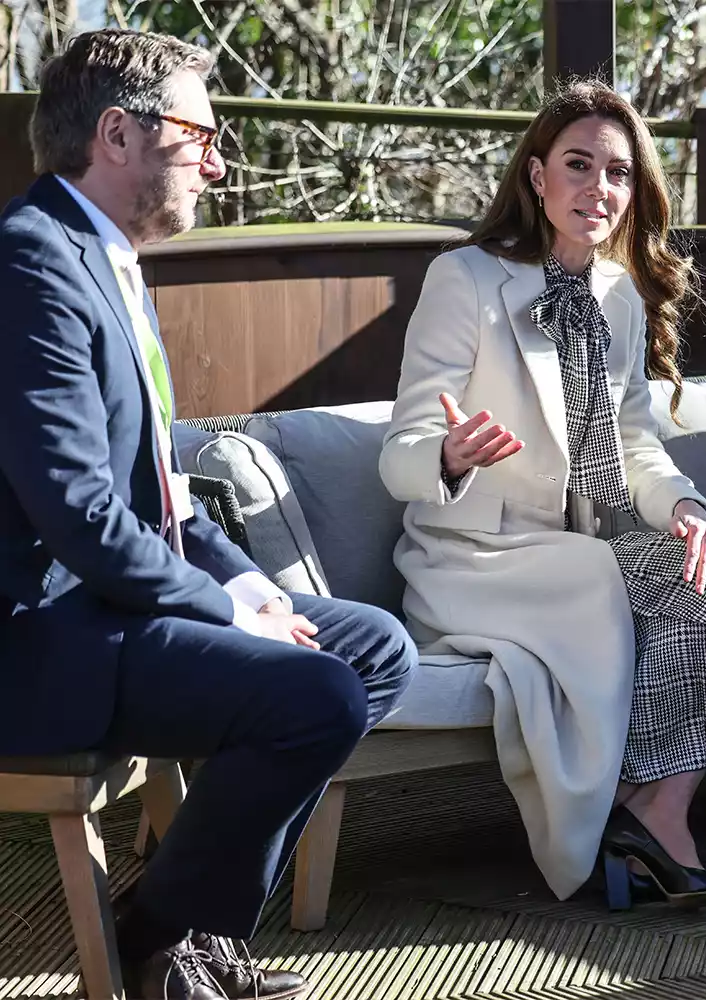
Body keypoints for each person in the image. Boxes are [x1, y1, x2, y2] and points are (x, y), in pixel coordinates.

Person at [0, 29, 415, 1000]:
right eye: (203, 136)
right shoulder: (31, 266)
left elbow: (162, 490)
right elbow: (76, 509)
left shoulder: (106, 261)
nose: (219, 163)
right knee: (315, 696)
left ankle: (170, 918)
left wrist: (252, 590)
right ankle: (159, 939)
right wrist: (230, 612)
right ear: (117, 134)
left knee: (370, 651)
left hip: (111, 608)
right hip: (44, 635)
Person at [378, 79, 706, 911]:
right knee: (680, 586)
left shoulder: (621, 294)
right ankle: (642, 824)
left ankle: (655, 813)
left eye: (619, 172)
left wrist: (689, 512)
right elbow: (401, 450)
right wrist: (448, 454)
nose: (600, 188)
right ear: (537, 178)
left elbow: (636, 446)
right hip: (485, 558)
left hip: (590, 546)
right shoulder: (465, 280)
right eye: (578, 165)